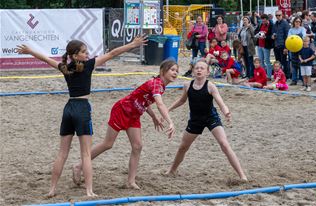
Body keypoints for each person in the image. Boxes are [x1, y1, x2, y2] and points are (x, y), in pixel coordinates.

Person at [16, 35, 147, 197]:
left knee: (62, 153)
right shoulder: (89, 65)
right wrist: (132, 45)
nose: (87, 54)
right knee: (85, 154)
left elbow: (45, 58)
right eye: (84, 52)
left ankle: (52, 189)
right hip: (82, 108)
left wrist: (29, 51)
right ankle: (89, 191)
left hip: (68, 108)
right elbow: (113, 53)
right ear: (76, 55)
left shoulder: (64, 67)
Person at [73, 59, 178, 189]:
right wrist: (170, 122)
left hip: (134, 115)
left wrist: (154, 116)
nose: (175, 73)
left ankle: (131, 181)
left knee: (137, 146)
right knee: (108, 144)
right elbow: (160, 104)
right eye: (172, 70)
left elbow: (145, 101)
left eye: (177, 71)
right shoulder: (156, 84)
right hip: (122, 110)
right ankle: (79, 166)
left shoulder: (160, 86)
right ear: (163, 71)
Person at [165, 60, 248, 181]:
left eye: (202, 68)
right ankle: (172, 170)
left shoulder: (210, 86)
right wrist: (168, 109)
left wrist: (226, 112)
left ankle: (242, 175)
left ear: (207, 72)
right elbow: (182, 100)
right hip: (195, 120)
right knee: (183, 147)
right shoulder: (187, 85)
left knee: (224, 144)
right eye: (197, 68)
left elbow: (220, 102)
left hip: (211, 117)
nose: (199, 70)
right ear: (193, 71)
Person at [255, 14, 274, 80]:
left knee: (267, 61)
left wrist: (265, 36)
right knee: (261, 61)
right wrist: (259, 34)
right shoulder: (260, 24)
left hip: (266, 46)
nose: (263, 22)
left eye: (264, 21)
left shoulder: (271, 25)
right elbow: (256, 31)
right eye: (262, 21)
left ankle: (269, 76)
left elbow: (272, 36)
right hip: (259, 45)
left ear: (267, 20)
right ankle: (263, 75)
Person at [288, 17, 306, 85]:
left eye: (299, 21)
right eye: (296, 21)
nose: (297, 23)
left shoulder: (303, 29)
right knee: (294, 65)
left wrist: (294, 37)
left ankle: (302, 79)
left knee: (301, 64)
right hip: (293, 49)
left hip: (301, 49)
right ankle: (294, 80)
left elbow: (304, 36)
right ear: (294, 22)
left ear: (300, 22)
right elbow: (288, 37)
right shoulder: (291, 30)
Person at [273, 10, 291, 79]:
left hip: (283, 45)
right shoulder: (275, 24)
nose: (278, 17)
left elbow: (287, 36)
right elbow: (273, 33)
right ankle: (279, 76)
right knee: (278, 62)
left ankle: (286, 76)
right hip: (276, 45)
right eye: (276, 15)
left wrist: (286, 47)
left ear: (282, 15)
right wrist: (273, 36)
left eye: (279, 15)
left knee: (284, 62)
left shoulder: (285, 24)